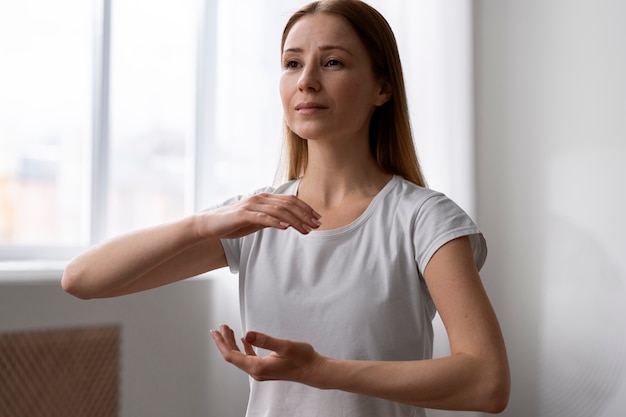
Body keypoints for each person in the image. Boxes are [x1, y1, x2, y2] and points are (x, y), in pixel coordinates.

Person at [62, 0, 510, 415]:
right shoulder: (256, 216)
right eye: (292, 63)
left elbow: (488, 383)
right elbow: (81, 280)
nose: (306, 80)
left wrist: (322, 371)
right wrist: (202, 224)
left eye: (332, 62)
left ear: (382, 87)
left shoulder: (424, 219)